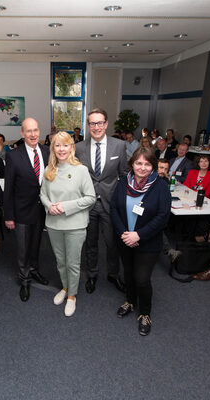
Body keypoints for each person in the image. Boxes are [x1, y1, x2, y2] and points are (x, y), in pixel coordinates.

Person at [110, 147, 171, 336]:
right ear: (132, 164)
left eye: (147, 164)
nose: (142, 168)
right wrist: (125, 234)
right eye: (139, 163)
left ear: (153, 166)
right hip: (125, 239)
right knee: (128, 273)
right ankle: (130, 300)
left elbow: (162, 217)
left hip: (148, 242)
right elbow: (114, 209)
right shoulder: (123, 182)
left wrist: (139, 235)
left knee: (142, 279)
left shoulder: (160, 186)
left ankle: (145, 313)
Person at [40, 132, 95, 317]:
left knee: (72, 263)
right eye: (57, 145)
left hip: (75, 225)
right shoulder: (49, 170)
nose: (61, 149)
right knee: (60, 261)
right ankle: (65, 287)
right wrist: (49, 206)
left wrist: (65, 206)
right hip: (54, 224)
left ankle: (72, 296)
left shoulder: (81, 170)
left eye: (65, 145)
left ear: (71, 147)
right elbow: (43, 194)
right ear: (53, 148)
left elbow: (90, 198)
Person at [76, 108, 127, 293]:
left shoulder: (119, 146)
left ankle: (113, 274)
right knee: (90, 242)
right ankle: (92, 274)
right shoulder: (79, 147)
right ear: (88, 125)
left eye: (100, 123)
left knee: (112, 243)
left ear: (106, 124)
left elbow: (124, 174)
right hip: (88, 204)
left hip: (110, 203)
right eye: (92, 123)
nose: (96, 127)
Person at [3, 117, 50, 302]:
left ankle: (34, 270)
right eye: (28, 131)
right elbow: (8, 189)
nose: (33, 134)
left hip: (41, 210)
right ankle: (24, 280)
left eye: (35, 130)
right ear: (22, 134)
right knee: (23, 248)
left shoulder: (47, 152)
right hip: (21, 210)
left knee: (37, 244)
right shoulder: (14, 156)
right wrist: (9, 215)